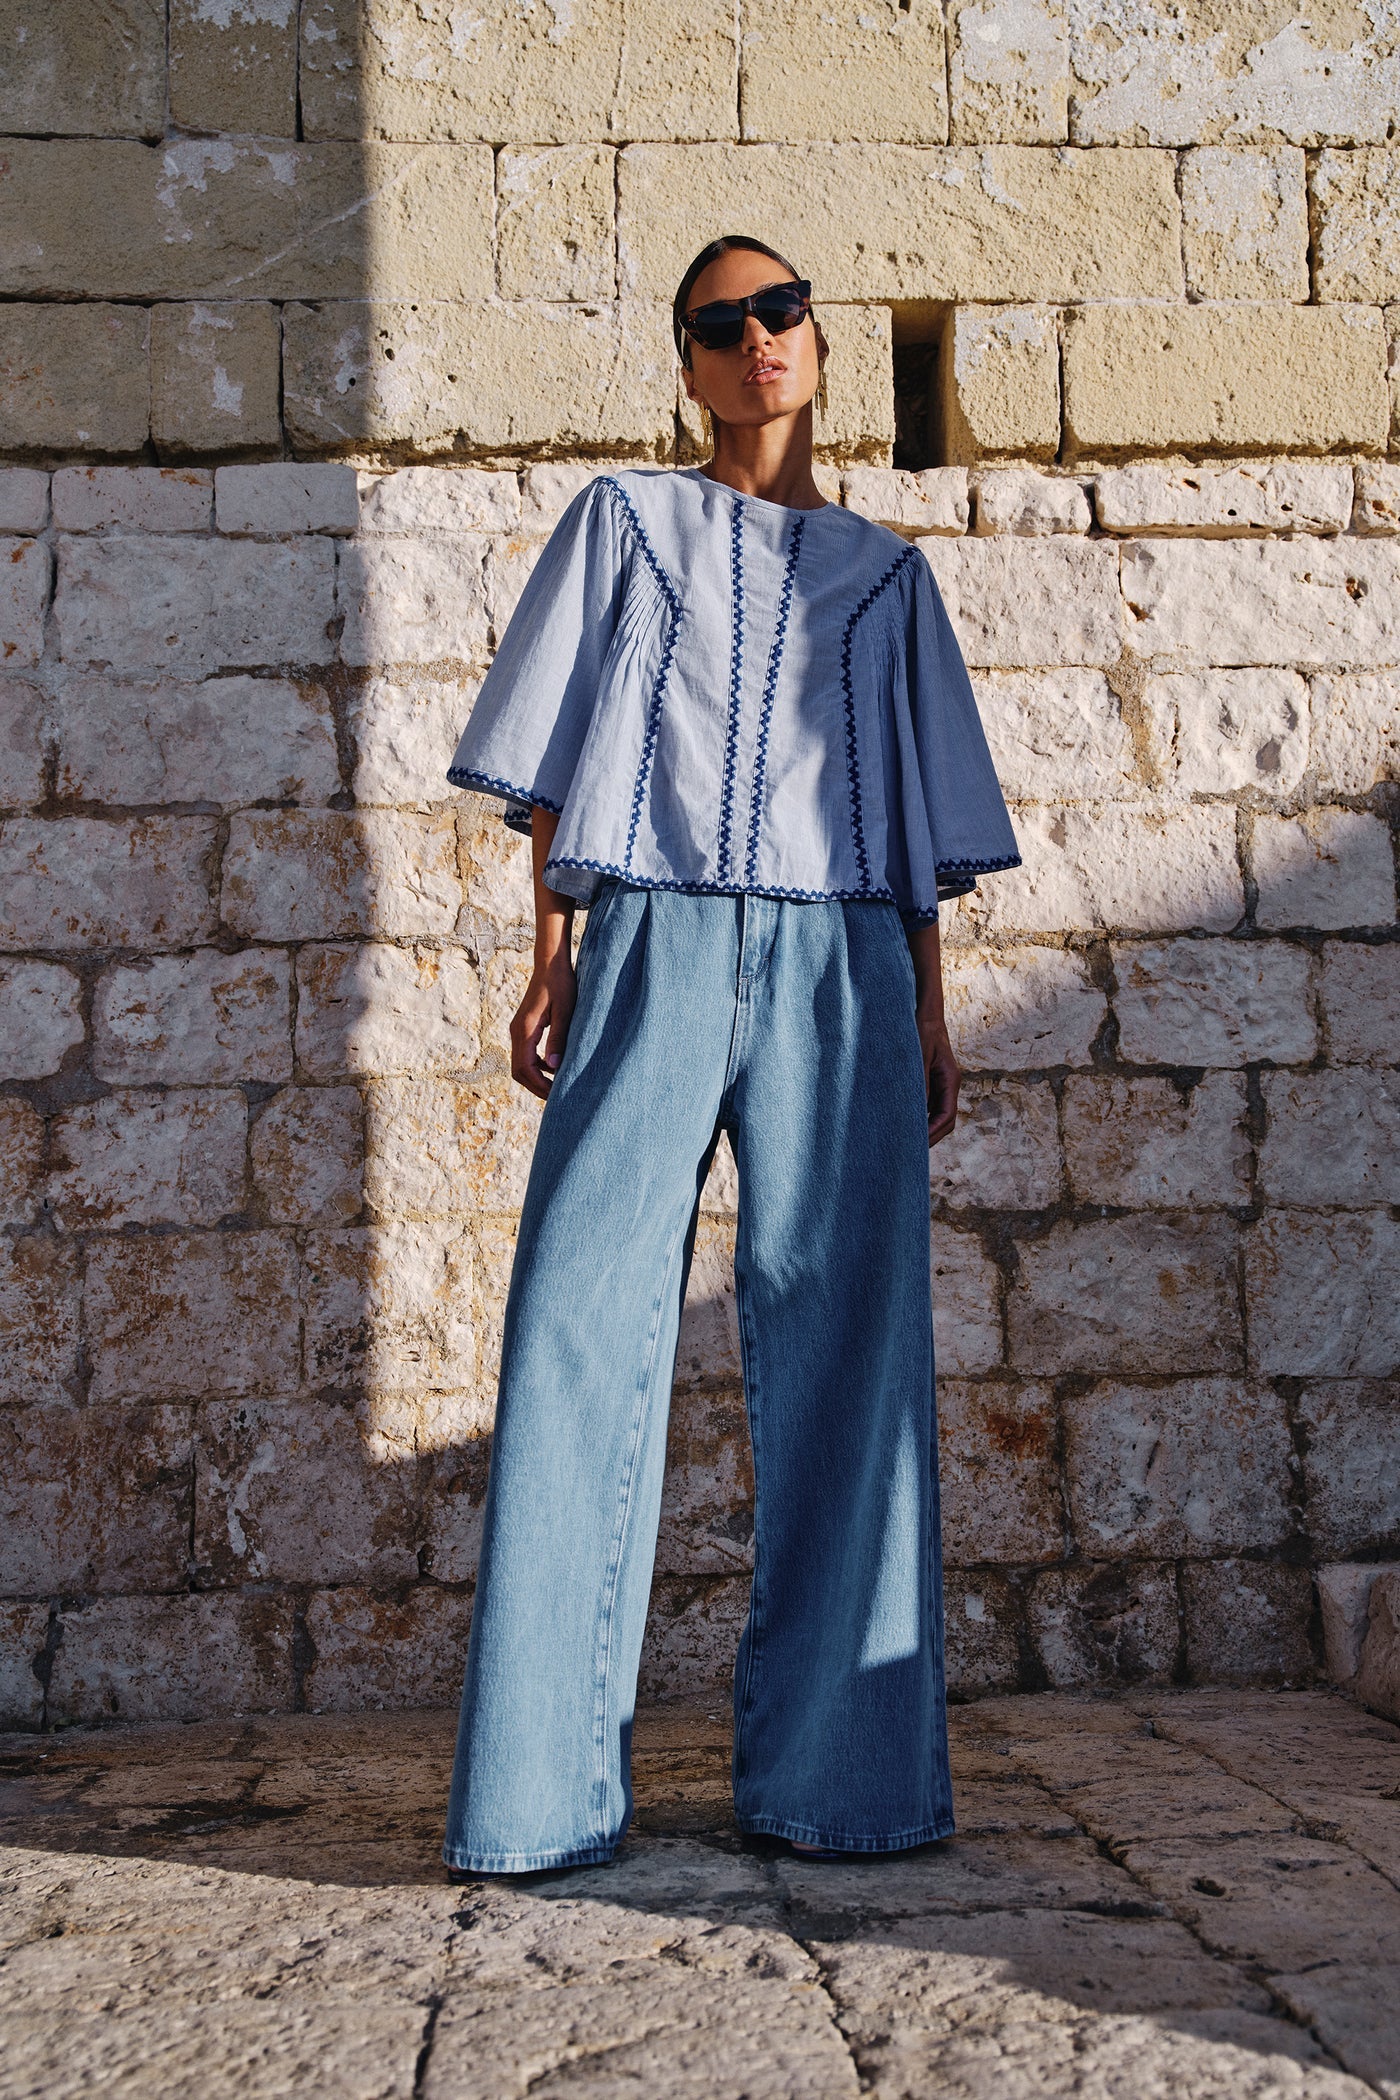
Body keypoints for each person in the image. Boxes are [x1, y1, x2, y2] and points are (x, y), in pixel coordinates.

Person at [441, 234, 1020, 1875]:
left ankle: (845, 1787)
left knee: (853, 1345)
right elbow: (560, 752)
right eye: (721, 322)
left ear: (819, 342)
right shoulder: (623, 521)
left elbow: (918, 822)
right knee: (575, 1319)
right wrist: (552, 948)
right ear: (688, 363)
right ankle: (536, 1799)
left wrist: (926, 1003)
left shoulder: (889, 577)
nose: (757, 337)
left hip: (846, 959)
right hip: (653, 933)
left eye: (781, 310)